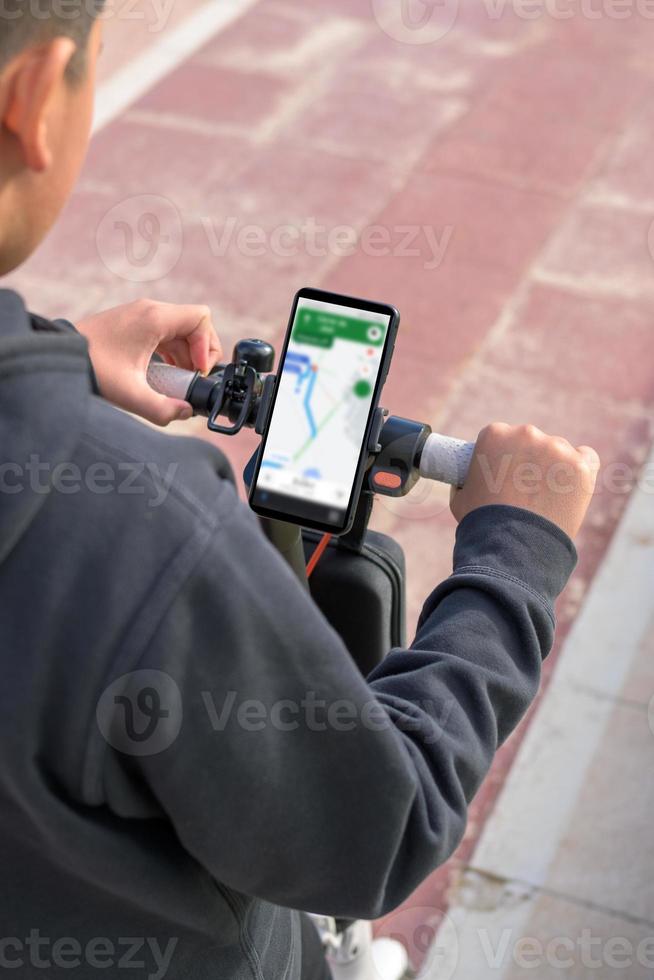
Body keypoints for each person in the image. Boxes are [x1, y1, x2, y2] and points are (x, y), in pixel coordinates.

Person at [0, 4, 600, 979]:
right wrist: (518, 551)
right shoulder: (138, 528)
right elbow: (377, 827)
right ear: (34, 96)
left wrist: (49, 354)